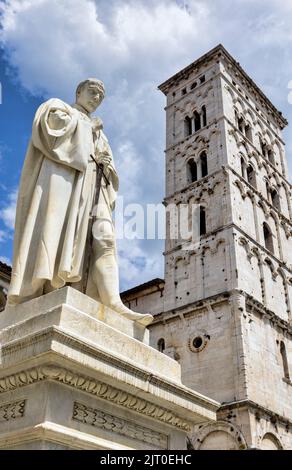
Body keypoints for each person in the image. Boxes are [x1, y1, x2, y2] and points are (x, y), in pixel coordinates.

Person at [7, 78, 153, 326]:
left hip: (95, 192)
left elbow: (109, 169)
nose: (96, 98)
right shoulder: (59, 107)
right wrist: (87, 127)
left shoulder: (101, 134)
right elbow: (50, 129)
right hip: (65, 188)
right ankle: (46, 287)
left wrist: (108, 167)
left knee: (106, 239)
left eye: (101, 97)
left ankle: (113, 301)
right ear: (79, 91)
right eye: (92, 92)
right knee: (56, 236)